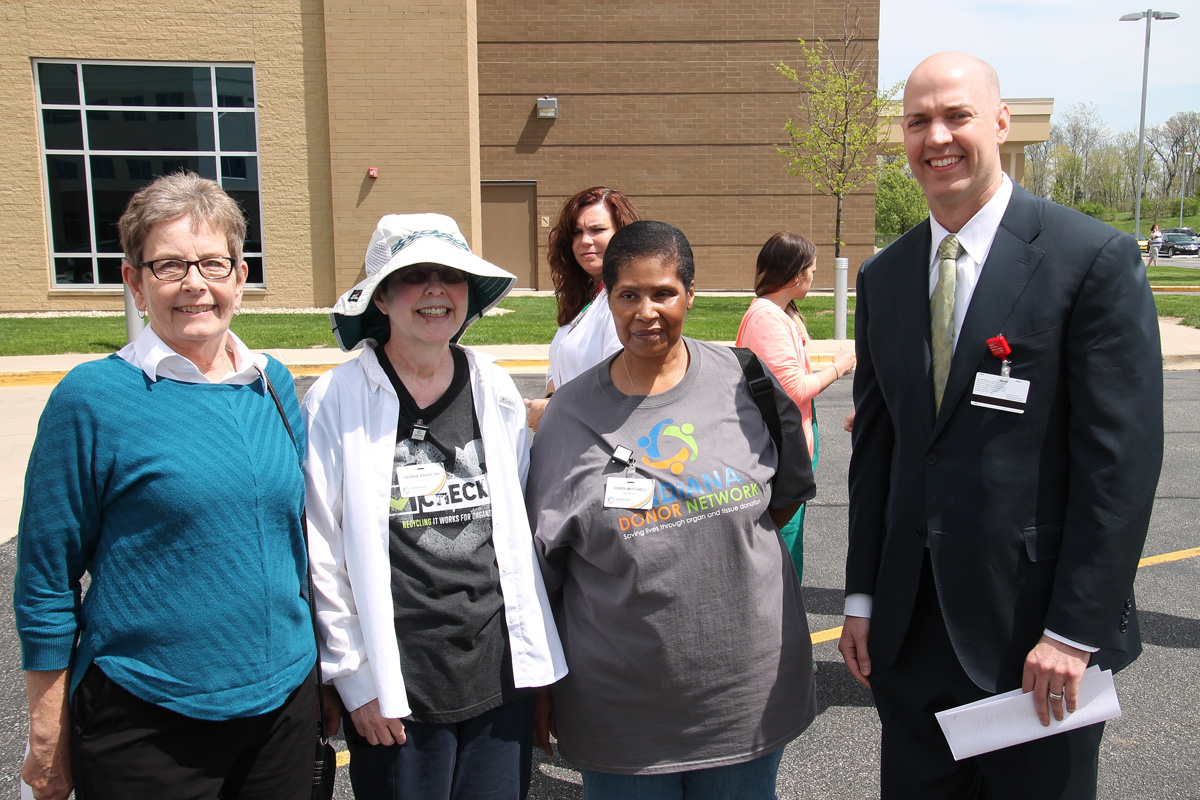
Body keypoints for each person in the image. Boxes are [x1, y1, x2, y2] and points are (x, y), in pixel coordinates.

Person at [840, 52, 1163, 799]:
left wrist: (1072, 632)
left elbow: (1120, 465)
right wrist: (861, 598)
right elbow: (878, 457)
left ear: (1001, 122)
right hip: (910, 640)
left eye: (957, 115)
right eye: (918, 120)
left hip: (1036, 643)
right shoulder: (884, 278)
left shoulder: (1092, 260)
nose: (937, 137)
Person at [14, 171, 316, 799]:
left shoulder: (273, 384)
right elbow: (45, 579)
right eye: (170, 265)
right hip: (147, 715)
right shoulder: (94, 399)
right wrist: (48, 735)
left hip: (282, 705)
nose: (195, 284)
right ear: (134, 280)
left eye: (213, 262)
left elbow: (297, 543)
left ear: (239, 274)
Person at [527, 220, 817, 798]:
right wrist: (540, 686)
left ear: (690, 293)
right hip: (620, 709)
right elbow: (543, 563)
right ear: (606, 300)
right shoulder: (569, 416)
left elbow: (779, 502)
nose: (646, 311)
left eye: (663, 292)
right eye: (628, 295)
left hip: (744, 697)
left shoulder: (746, 383)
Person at [305, 213, 567, 800]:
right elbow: (322, 550)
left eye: (449, 276)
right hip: (400, 684)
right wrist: (354, 678)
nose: (434, 290)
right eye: (413, 276)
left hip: (498, 674)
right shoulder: (339, 398)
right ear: (381, 296)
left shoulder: (493, 387)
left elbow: (519, 530)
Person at [736, 231, 855, 583]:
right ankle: (781, 621)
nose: (813, 277)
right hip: (782, 449)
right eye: (812, 272)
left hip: (784, 444)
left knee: (788, 539)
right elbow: (793, 389)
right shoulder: (769, 319)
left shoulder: (775, 312)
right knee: (783, 543)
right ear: (795, 275)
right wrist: (839, 367)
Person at [523, 186, 640, 431]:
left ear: (623, 234)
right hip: (571, 436)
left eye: (597, 230)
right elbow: (557, 368)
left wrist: (553, 409)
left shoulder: (629, 303)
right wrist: (550, 401)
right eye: (577, 232)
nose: (585, 241)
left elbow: (622, 385)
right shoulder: (587, 298)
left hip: (604, 445)